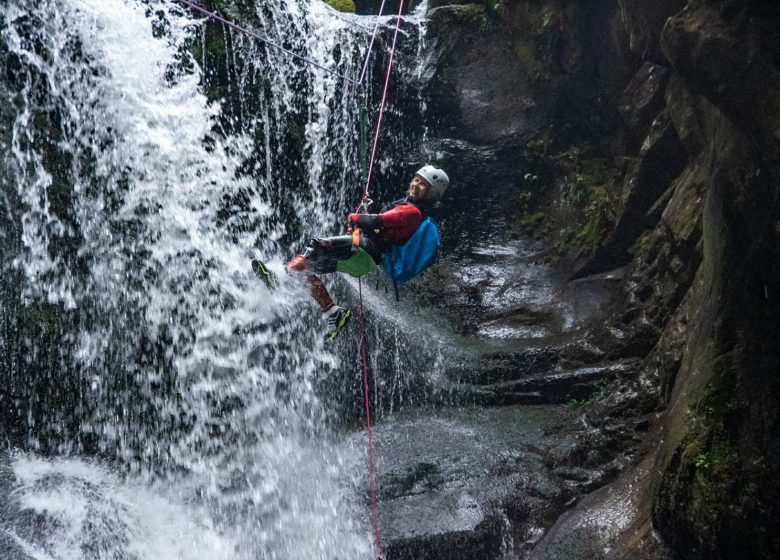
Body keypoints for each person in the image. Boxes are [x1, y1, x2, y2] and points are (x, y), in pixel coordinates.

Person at [261, 165, 449, 341]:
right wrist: (365, 214)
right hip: (364, 260)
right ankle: (333, 312)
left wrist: (356, 217)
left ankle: (280, 276)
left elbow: (377, 223)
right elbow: (382, 228)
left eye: (422, 183)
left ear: (431, 193)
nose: (415, 184)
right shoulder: (409, 209)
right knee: (306, 268)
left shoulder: (413, 212)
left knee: (317, 246)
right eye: (416, 179)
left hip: (363, 251)